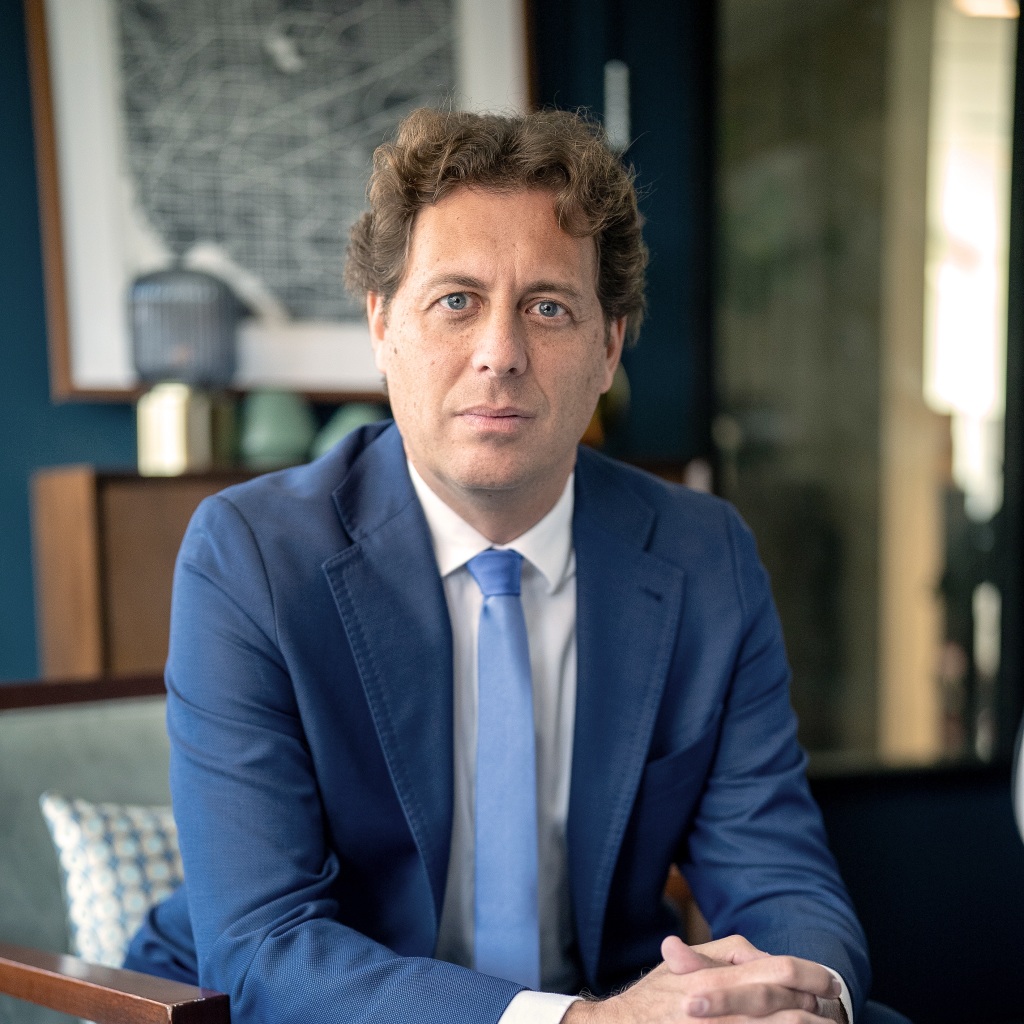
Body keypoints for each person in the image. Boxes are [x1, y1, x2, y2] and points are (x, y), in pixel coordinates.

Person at [126, 107, 893, 1024]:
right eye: (456, 301)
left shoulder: (703, 555)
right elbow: (265, 947)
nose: (500, 354)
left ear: (608, 348)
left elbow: (778, 875)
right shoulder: (251, 555)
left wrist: (802, 998)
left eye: (548, 307)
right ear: (382, 325)